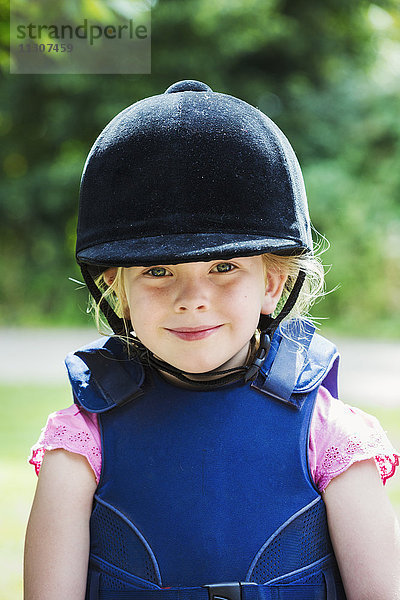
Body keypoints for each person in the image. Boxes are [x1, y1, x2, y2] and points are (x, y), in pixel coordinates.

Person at [24, 80, 400, 600]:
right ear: (118, 289)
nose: (192, 297)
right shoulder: (79, 444)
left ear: (272, 284)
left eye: (224, 267)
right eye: (157, 270)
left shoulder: (333, 439)